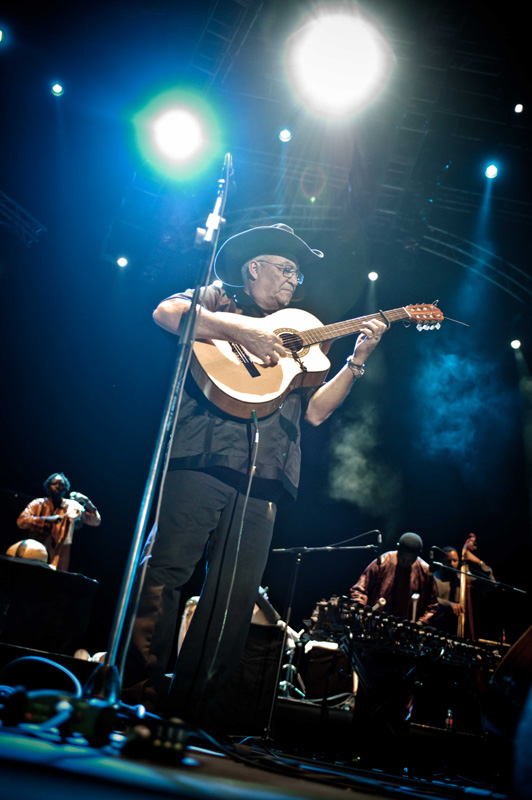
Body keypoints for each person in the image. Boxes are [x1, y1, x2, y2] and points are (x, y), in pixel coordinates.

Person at [122, 223, 388, 727]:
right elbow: (167, 312)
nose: (293, 279)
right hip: (200, 458)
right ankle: (138, 695)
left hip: (266, 475)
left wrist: (357, 361)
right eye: (285, 268)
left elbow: (315, 413)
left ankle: (196, 715)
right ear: (254, 267)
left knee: (234, 597)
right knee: (165, 573)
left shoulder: (304, 333)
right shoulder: (219, 297)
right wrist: (242, 331)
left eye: (298, 273)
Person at [16, 472, 101, 571]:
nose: (57, 486)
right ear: (48, 486)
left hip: (60, 557)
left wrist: (86, 501)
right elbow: (21, 521)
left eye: (61, 484)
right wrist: (47, 520)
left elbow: (95, 521)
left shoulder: (72, 506)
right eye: (54, 483)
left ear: (65, 487)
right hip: (36, 553)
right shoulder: (38, 503)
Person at [350, 532, 437, 624]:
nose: (406, 562)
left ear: (418, 554)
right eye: (403, 558)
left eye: (410, 560)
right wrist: (363, 612)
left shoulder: (425, 571)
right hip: (375, 623)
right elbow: (359, 590)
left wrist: (421, 623)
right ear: (398, 548)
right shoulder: (383, 562)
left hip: (405, 628)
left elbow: (433, 606)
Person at [433, 542, 495, 636]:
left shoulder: (463, 578)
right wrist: (449, 604)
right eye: (449, 561)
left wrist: (480, 563)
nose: (452, 564)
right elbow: (429, 600)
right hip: (437, 628)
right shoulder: (434, 577)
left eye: (455, 561)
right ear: (441, 560)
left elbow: (492, 584)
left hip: (459, 631)